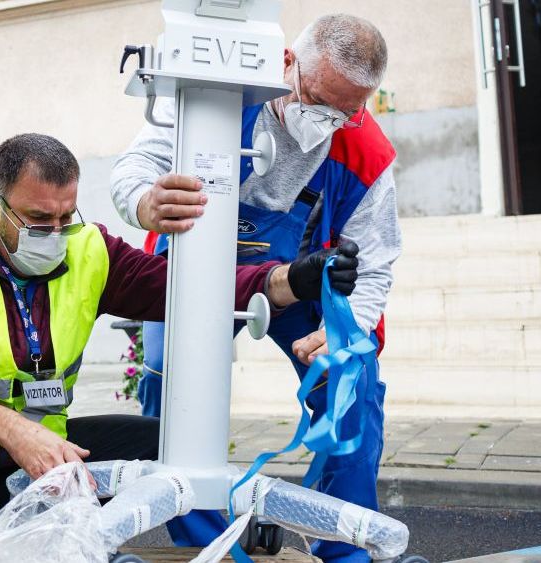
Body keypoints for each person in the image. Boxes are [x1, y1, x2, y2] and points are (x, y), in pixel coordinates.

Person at [0, 133, 355, 515]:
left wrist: (291, 280)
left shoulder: (87, 247)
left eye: (67, 216)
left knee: (167, 442)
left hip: (17, 457)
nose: (57, 232)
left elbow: (181, 290)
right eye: (39, 221)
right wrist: (10, 428)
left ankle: (91, 537)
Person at [110, 14, 400, 562]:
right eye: (318, 99)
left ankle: (346, 549)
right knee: (168, 389)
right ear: (287, 63)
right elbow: (134, 167)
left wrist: (347, 329)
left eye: (348, 110)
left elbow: (377, 264)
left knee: (350, 383)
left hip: (298, 279)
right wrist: (146, 201)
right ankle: (204, 542)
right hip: (193, 267)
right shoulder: (216, 92)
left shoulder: (368, 154)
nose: (329, 119)